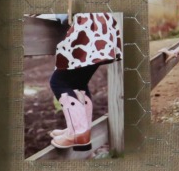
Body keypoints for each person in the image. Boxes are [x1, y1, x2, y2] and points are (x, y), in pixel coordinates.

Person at [35, 13, 121, 150]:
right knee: (78, 84)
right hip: (103, 29)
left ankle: (78, 133)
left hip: (88, 30)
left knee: (59, 82)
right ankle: (81, 130)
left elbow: (64, 12)